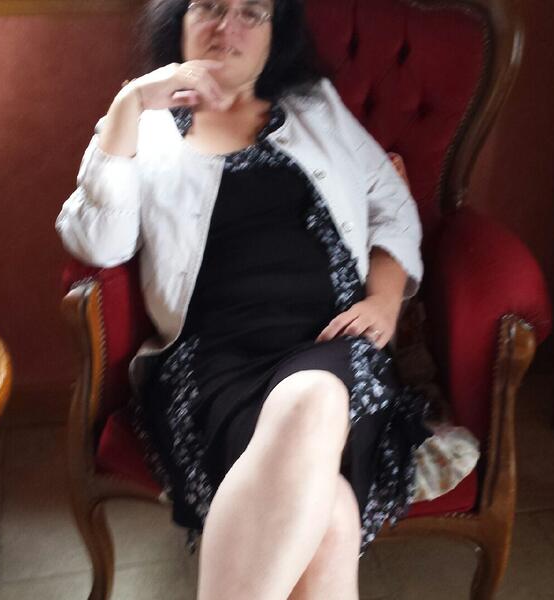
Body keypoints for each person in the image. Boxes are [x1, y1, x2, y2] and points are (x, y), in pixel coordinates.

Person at [55, 0, 442, 598]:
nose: (226, 27)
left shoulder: (316, 109)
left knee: (316, 398)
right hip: (210, 363)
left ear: (273, 34)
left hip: (332, 342)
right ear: (179, 21)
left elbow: (390, 204)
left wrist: (385, 300)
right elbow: (98, 242)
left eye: (250, 13)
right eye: (209, 7)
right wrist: (129, 104)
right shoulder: (145, 128)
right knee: (330, 518)